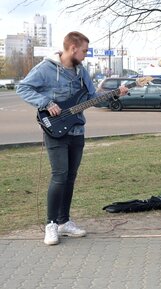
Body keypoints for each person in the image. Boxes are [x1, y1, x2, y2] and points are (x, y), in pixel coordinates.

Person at [16, 31, 128, 246]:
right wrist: (46, 103)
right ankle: (50, 224)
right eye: (84, 50)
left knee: (70, 177)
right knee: (59, 175)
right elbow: (24, 88)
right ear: (73, 48)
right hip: (55, 130)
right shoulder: (46, 69)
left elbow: (92, 98)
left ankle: (63, 222)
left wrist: (115, 93)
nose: (86, 55)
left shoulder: (81, 72)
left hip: (77, 131)